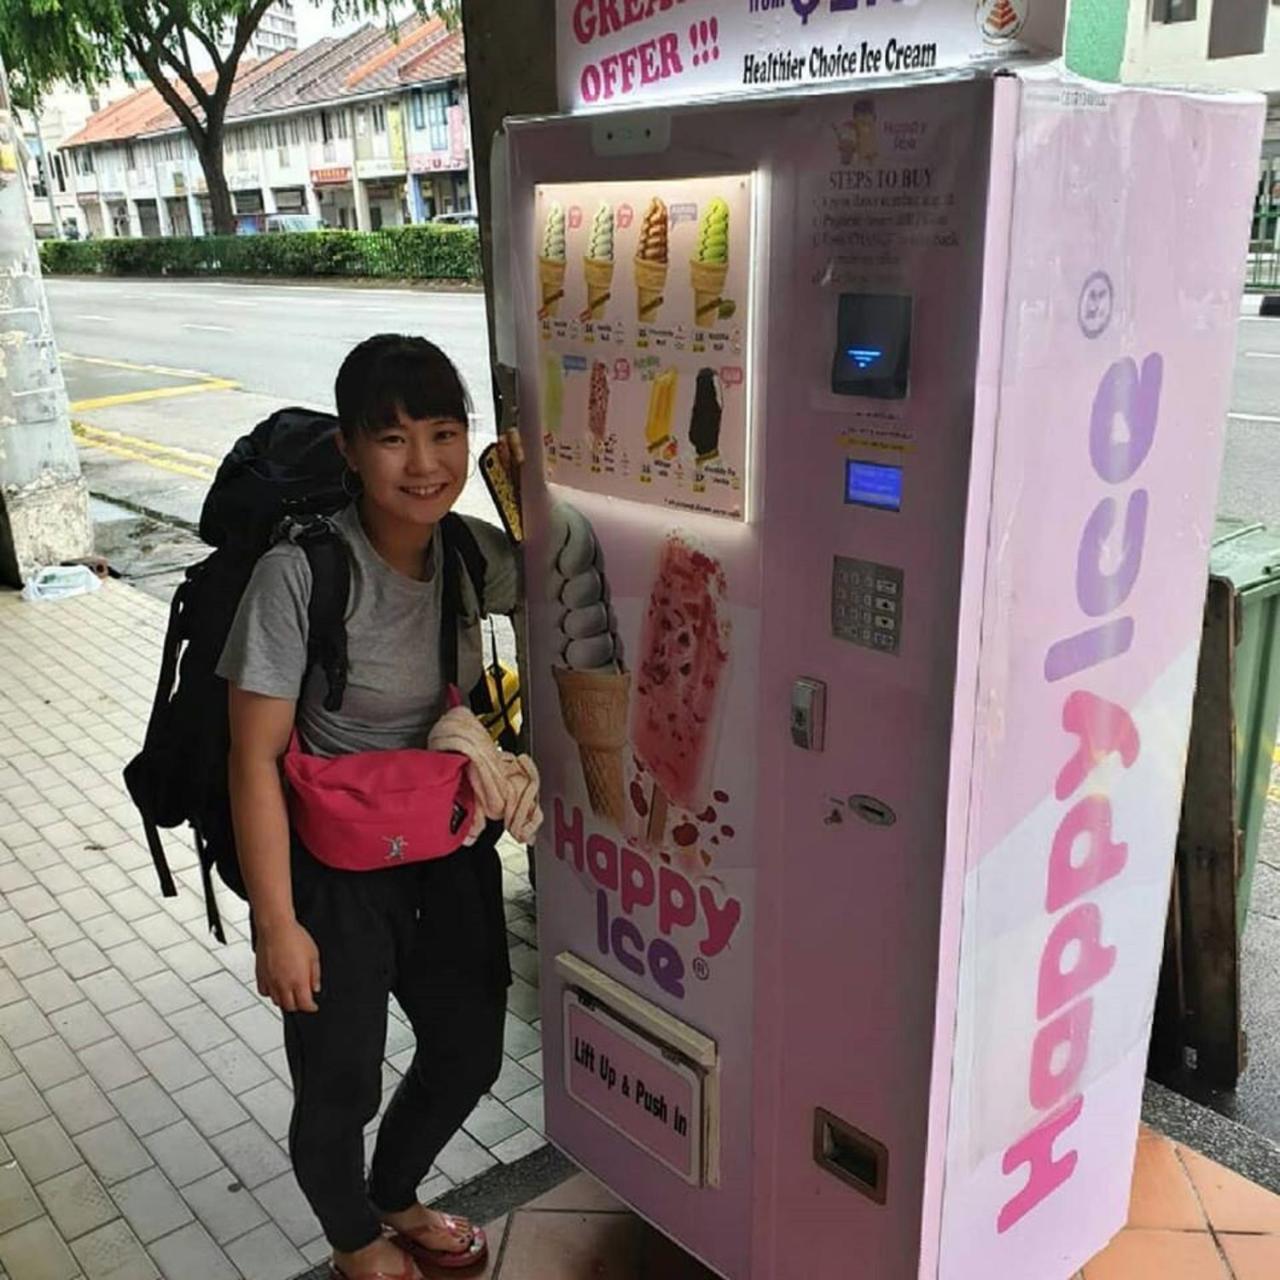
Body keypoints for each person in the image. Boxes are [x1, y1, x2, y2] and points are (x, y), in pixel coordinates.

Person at [218, 335, 527, 1280]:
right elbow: (252, 760)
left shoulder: (476, 555)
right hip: (335, 873)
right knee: (340, 1084)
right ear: (350, 449)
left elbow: (587, 587)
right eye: (393, 439)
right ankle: (354, 1239)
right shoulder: (300, 575)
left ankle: (395, 1194)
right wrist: (278, 925)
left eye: (445, 433)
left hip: (445, 844)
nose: (426, 464)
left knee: (471, 1050)